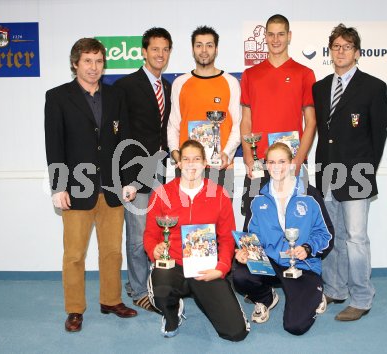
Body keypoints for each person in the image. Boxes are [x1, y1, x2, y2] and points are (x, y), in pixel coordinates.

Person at [44, 38, 138, 332]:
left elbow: (125, 141)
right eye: (87, 61)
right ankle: (74, 309)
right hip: (76, 190)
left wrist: (130, 180)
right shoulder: (58, 97)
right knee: (74, 255)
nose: (94, 67)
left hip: (112, 188)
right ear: (75, 64)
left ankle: (111, 300)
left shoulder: (116, 96)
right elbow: (54, 144)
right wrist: (58, 186)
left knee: (112, 251)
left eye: (98, 61)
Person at [313, 24, 387, 321]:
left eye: (347, 47)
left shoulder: (373, 86)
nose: (341, 51)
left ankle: (361, 297)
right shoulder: (320, 88)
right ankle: (335, 288)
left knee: (357, 238)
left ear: (357, 53)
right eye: (336, 46)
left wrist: (367, 173)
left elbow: (378, 135)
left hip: (357, 172)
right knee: (334, 236)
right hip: (327, 172)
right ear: (330, 51)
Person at [144, 140, 249, 341]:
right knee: (161, 289)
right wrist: (154, 249)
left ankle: (209, 295)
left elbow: (227, 238)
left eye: (196, 159)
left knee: (236, 333)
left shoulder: (219, 194)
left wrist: (222, 268)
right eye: (186, 159)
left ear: (204, 163)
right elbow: (150, 235)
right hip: (173, 265)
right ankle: (171, 313)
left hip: (206, 268)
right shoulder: (161, 194)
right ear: (179, 164)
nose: (191, 164)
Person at [233, 142, 334, 335]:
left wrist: (307, 248)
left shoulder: (309, 194)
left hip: (302, 264)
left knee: (295, 326)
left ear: (290, 164)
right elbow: (250, 235)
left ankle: (315, 293)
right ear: (266, 165)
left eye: (281, 161)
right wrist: (245, 252)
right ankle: (266, 298)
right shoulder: (257, 196)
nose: (276, 166)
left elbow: (326, 233)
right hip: (270, 261)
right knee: (239, 275)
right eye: (271, 162)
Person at [114, 27, 173, 312]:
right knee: (137, 237)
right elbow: (120, 134)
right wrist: (127, 179)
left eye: (165, 50)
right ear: (144, 51)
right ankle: (138, 290)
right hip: (134, 174)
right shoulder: (126, 86)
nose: (160, 54)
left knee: (155, 232)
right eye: (154, 49)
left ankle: (149, 284)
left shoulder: (168, 87)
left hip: (159, 172)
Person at [240, 14, 317, 230]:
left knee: (297, 221)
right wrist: (248, 156)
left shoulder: (305, 73)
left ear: (289, 36)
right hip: (260, 162)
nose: (276, 40)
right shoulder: (250, 75)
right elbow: (246, 121)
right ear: (265, 36)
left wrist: (298, 160)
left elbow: (311, 122)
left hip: (293, 162)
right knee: (254, 221)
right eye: (271, 34)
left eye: (281, 34)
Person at [167, 25, 241, 197]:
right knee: (188, 219)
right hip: (188, 167)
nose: (204, 50)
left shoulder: (230, 82)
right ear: (193, 49)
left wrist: (226, 154)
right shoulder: (180, 83)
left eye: (209, 45)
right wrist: (176, 154)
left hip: (220, 166)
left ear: (216, 49)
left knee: (221, 221)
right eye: (199, 45)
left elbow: (238, 124)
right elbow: (174, 124)